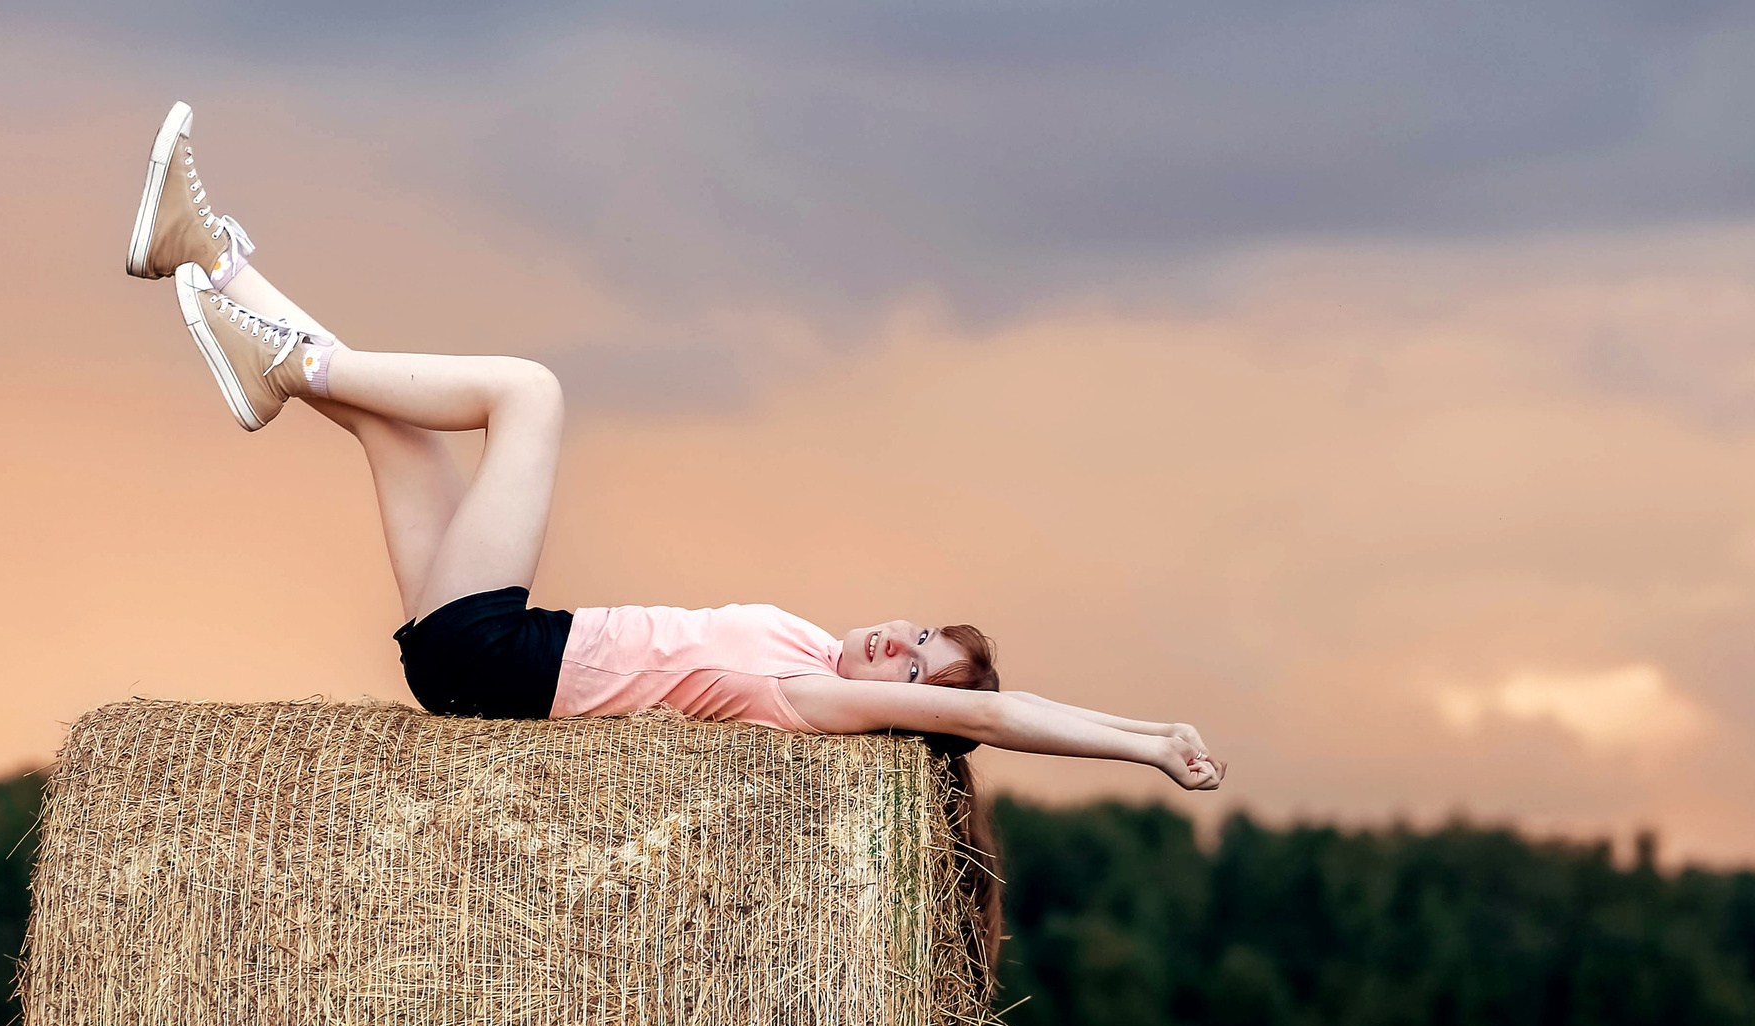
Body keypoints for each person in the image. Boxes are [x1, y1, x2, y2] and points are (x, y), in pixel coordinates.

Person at [125, 103, 1225, 957]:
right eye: (918, 632)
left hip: (500, 657)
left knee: (531, 394)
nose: (897, 644)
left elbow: (1007, 718)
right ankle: (208, 256)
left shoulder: (818, 705)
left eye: (916, 672)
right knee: (400, 436)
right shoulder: (802, 644)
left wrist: (1144, 740)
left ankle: (290, 362)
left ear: (899, 710)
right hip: (479, 660)